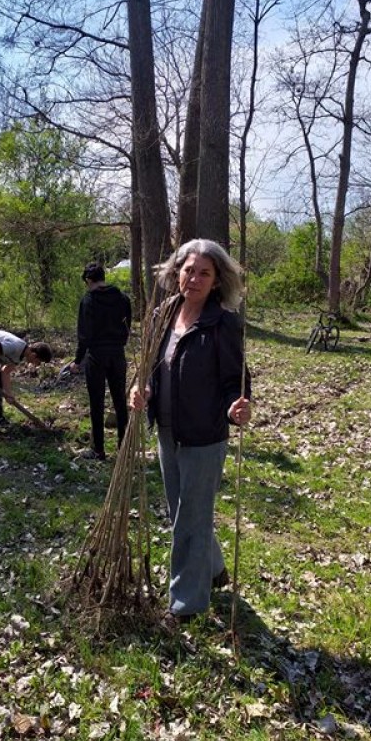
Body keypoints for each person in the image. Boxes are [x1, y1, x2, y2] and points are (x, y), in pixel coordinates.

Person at [130, 239, 251, 624]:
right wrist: (141, 388)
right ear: (176, 272)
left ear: (216, 281)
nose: (194, 278)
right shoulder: (163, 314)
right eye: (188, 270)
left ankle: (186, 605)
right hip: (167, 429)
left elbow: (237, 380)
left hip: (204, 435)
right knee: (183, 513)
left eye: (204, 273)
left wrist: (237, 405)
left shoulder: (223, 324)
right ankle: (214, 570)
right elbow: (151, 365)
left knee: (190, 521)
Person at [69, 262, 132, 460]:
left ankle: (98, 449)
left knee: (96, 402)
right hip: (117, 353)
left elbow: (84, 334)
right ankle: (124, 447)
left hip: (96, 354)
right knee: (120, 400)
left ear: (88, 280)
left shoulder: (89, 300)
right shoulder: (122, 298)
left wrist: (77, 361)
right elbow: (128, 325)